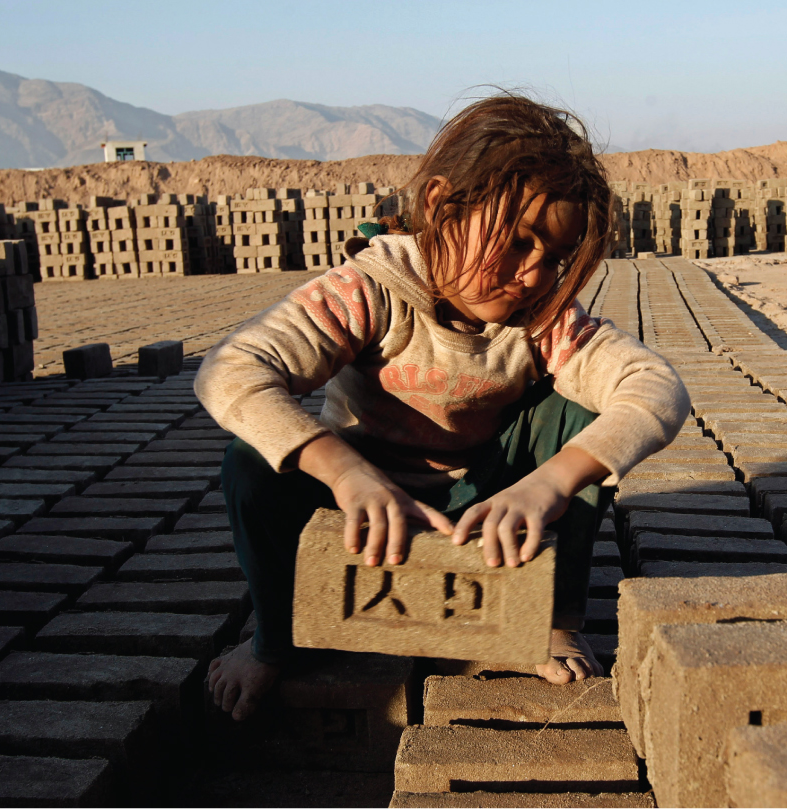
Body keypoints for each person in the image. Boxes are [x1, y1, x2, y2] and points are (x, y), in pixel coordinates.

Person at [196, 94, 688, 721]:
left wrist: (550, 485)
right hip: (362, 502)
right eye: (516, 242)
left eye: (555, 260)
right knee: (251, 465)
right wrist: (345, 473)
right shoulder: (369, 291)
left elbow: (656, 386)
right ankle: (276, 637)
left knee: (582, 418)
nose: (533, 276)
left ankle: (549, 617)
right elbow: (230, 370)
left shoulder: (542, 321)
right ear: (438, 205)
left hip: (488, 504)